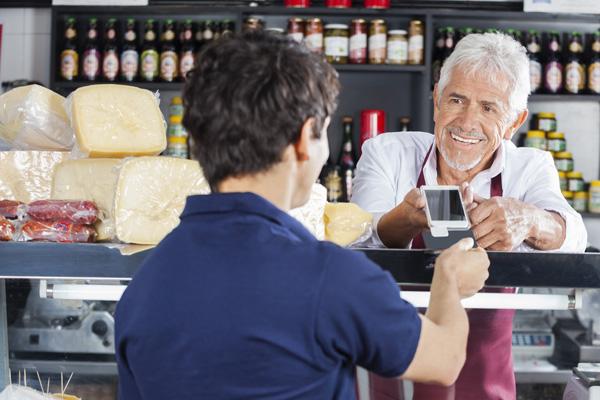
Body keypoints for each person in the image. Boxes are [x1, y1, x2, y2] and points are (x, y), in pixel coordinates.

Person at [114, 31, 490, 400]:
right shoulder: (331, 276)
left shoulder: (143, 286)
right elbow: (444, 361)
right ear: (304, 137)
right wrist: (449, 282)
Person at [353, 33, 587, 400]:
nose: (467, 121)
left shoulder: (530, 168)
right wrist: (408, 217)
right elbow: (358, 238)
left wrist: (529, 220)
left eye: (489, 108)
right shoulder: (388, 153)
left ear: (515, 122)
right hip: (392, 376)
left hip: (484, 386)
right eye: (456, 100)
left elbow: (574, 235)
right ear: (436, 100)